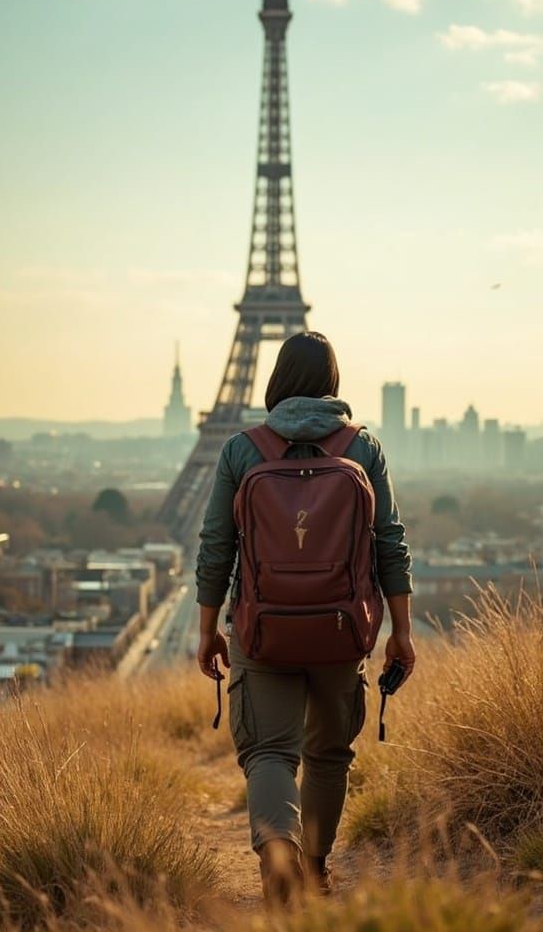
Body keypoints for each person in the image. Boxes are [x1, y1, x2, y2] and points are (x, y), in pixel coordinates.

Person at [195, 331, 415, 903]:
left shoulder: (242, 449)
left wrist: (207, 629)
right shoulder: (362, 447)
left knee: (269, 751)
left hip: (261, 627)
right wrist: (402, 631)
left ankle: (279, 863)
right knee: (329, 753)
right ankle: (315, 868)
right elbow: (390, 542)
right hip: (343, 629)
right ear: (332, 381)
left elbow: (216, 544)